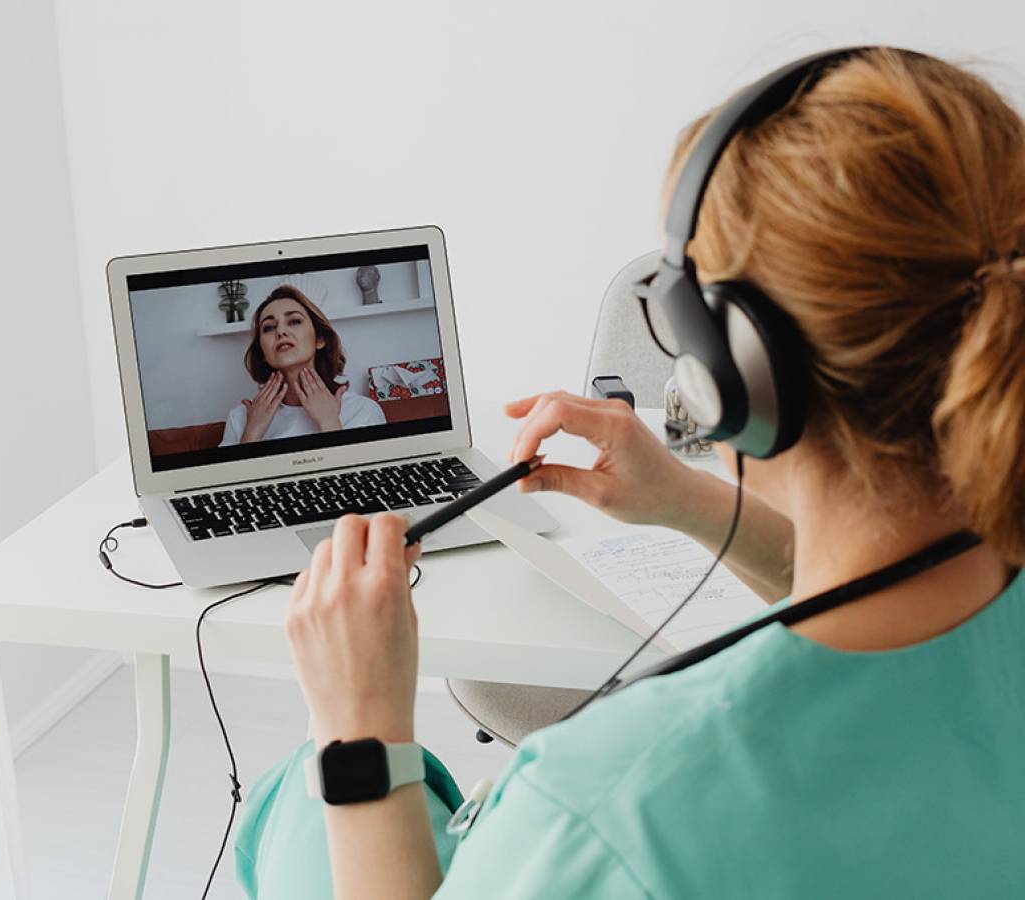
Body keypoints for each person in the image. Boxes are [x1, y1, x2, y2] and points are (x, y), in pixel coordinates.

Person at [235, 49, 1025, 897]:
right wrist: (686, 500)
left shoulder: (605, 808)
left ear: (740, 373)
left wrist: (358, 730)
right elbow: (879, 594)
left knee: (294, 805)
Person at [219, 284, 385, 446]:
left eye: (294, 321)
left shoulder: (363, 411)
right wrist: (252, 434)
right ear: (262, 352)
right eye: (269, 327)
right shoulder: (241, 418)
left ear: (319, 339)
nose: (281, 332)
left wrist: (330, 425)